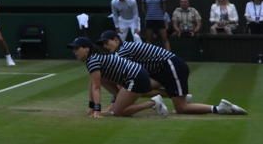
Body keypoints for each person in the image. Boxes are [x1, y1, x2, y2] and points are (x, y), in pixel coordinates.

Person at [94, 28, 245, 116]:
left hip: (171, 66)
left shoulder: (123, 51)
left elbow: (121, 81)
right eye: (103, 45)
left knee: (181, 108)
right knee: (138, 88)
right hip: (161, 70)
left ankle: (219, 108)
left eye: (107, 43)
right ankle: (175, 95)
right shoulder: (123, 49)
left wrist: (114, 104)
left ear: (116, 39)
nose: (106, 46)